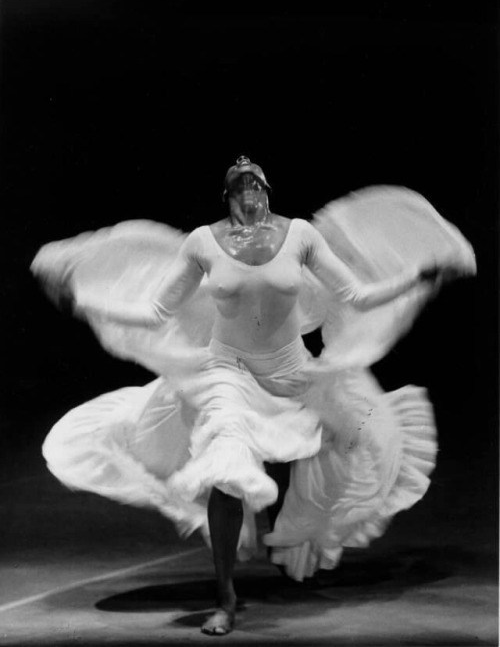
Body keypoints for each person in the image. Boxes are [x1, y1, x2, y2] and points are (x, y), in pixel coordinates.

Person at [32, 156, 475, 636]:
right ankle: (225, 598)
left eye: (257, 185)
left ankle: (300, 534)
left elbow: (356, 297)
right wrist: (81, 301)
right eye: (241, 185)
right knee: (226, 463)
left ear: (268, 191)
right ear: (228, 195)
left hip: (291, 368)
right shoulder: (204, 242)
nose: (251, 193)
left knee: (361, 434)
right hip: (227, 371)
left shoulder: (300, 235)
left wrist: (419, 277)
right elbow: (157, 311)